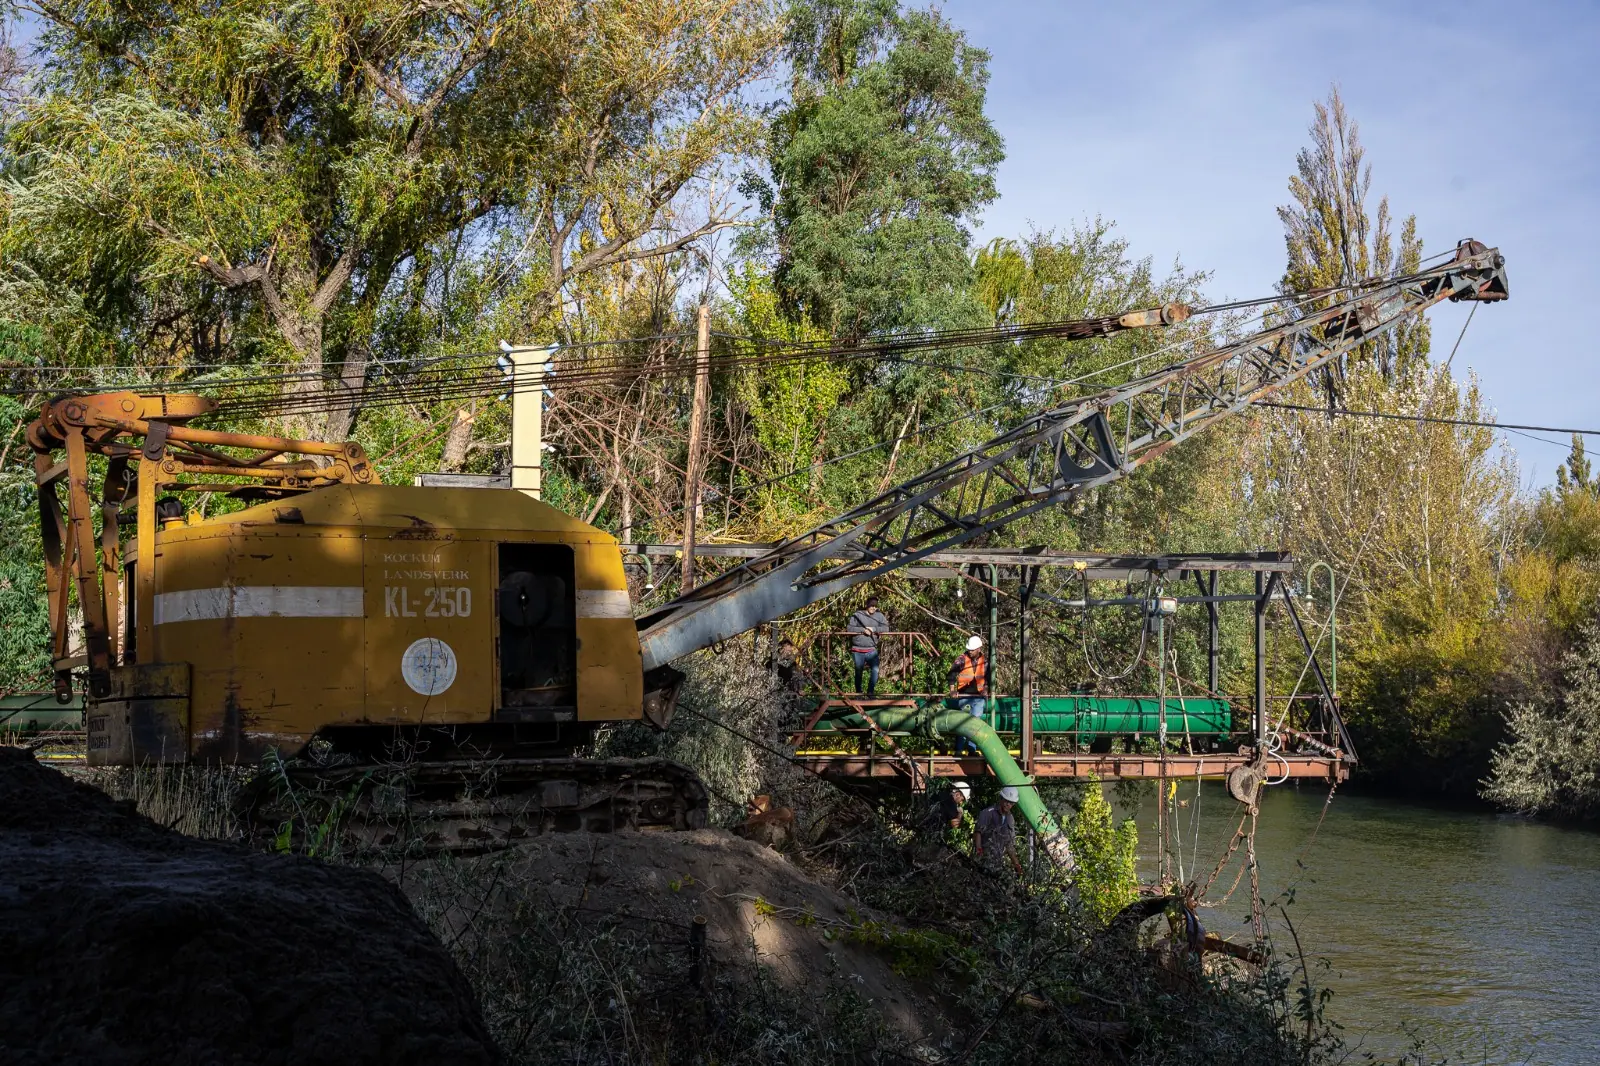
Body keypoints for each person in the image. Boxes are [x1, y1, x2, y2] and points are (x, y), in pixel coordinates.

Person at [946, 635, 988, 754]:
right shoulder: (962, 659)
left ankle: (971, 750)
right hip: (964, 696)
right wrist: (952, 690)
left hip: (978, 697)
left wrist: (986, 689)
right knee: (963, 721)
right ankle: (958, 750)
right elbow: (951, 674)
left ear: (979, 649)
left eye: (972, 649)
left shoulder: (985, 661)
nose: (970, 651)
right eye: (969, 649)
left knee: (975, 722)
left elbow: (988, 678)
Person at [975, 785, 1024, 875]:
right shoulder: (988, 813)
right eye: (1006, 801)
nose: (1008, 804)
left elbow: (1009, 844)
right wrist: (979, 852)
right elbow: (978, 833)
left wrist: (1017, 865)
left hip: (997, 863)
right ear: (1001, 798)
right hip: (983, 860)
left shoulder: (1010, 819)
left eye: (1011, 803)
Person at [847, 597, 891, 696]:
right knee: (859, 672)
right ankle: (858, 693)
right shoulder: (857, 615)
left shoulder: (879, 616)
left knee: (875, 670)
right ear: (867, 605)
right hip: (858, 649)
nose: (873, 608)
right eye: (872, 605)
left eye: (875, 606)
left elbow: (886, 628)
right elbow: (849, 628)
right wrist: (863, 630)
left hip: (871, 649)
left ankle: (870, 692)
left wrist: (874, 629)